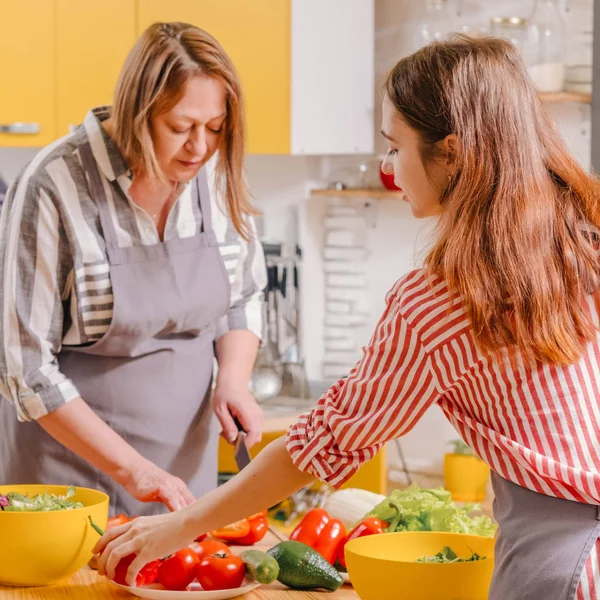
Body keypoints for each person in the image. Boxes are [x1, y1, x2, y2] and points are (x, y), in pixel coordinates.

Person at [96, 35, 600, 598]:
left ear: (452, 151)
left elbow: (321, 441)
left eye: (395, 146)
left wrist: (180, 526)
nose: (389, 167)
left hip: (561, 568)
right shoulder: (581, 239)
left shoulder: (442, 301)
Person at [0, 22, 267, 517]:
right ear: (136, 113)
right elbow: (26, 368)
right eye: (180, 127)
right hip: (65, 483)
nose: (199, 147)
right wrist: (134, 470)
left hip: (184, 476)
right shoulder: (52, 185)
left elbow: (243, 296)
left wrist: (233, 379)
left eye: (214, 127)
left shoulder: (214, 172)